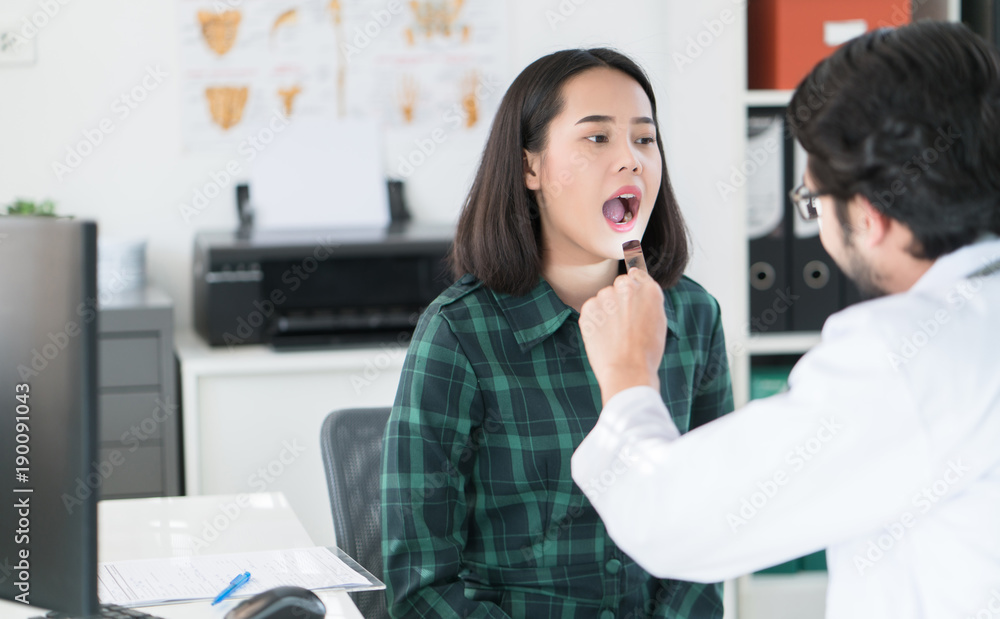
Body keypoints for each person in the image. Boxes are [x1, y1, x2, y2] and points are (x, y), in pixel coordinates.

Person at [571, 21, 1000, 619]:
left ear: (870, 217)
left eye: (812, 202)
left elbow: (672, 519)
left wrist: (625, 376)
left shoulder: (906, 360)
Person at [381, 48, 734, 618]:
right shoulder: (459, 332)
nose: (630, 160)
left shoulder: (693, 316)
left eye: (644, 139)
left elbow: (706, 539)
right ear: (531, 168)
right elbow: (420, 585)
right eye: (597, 139)